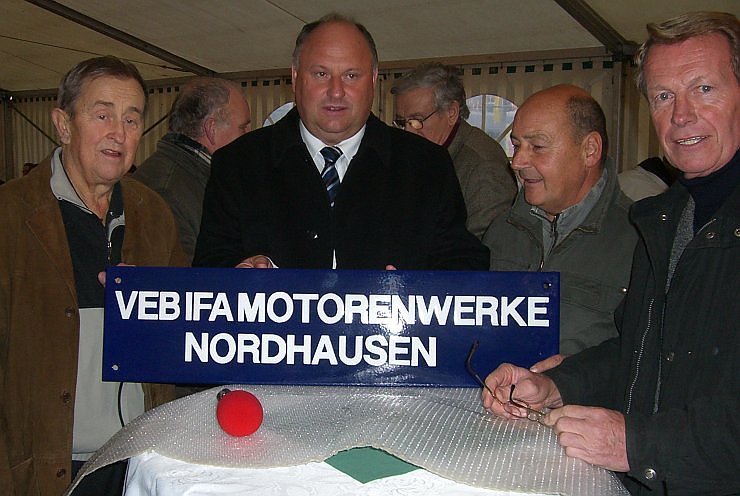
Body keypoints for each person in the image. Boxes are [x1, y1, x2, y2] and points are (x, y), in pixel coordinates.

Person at [481, 11, 739, 495]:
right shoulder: (663, 221)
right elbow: (639, 349)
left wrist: (636, 443)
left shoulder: (637, 226)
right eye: (663, 96)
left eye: (704, 89)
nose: (681, 115)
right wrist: (557, 384)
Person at [0, 56, 187, 495]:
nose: (118, 133)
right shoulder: (10, 216)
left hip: (137, 464)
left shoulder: (152, 214)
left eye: (131, 119)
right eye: (102, 115)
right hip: (43, 469)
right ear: (63, 125)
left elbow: (182, 334)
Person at [193, 14, 488, 270]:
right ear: (295, 77)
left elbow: (463, 263)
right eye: (321, 74)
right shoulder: (238, 164)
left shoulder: (427, 166)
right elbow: (208, 267)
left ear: (373, 79)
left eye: (351, 75)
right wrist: (241, 273)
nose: (336, 91)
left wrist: (414, 288)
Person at [482, 84, 637, 361]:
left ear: (590, 150)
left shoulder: (639, 241)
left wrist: (569, 377)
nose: (517, 162)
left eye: (537, 147)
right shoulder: (502, 231)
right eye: (516, 145)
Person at [391, 63, 516, 238]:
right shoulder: (426, 154)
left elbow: (486, 246)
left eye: (417, 121)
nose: (408, 131)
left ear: (451, 112)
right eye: (401, 122)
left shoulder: (484, 166)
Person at [134, 77, 252, 262]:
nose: (250, 137)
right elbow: (184, 275)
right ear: (212, 129)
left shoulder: (193, 179)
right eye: (243, 128)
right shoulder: (166, 191)